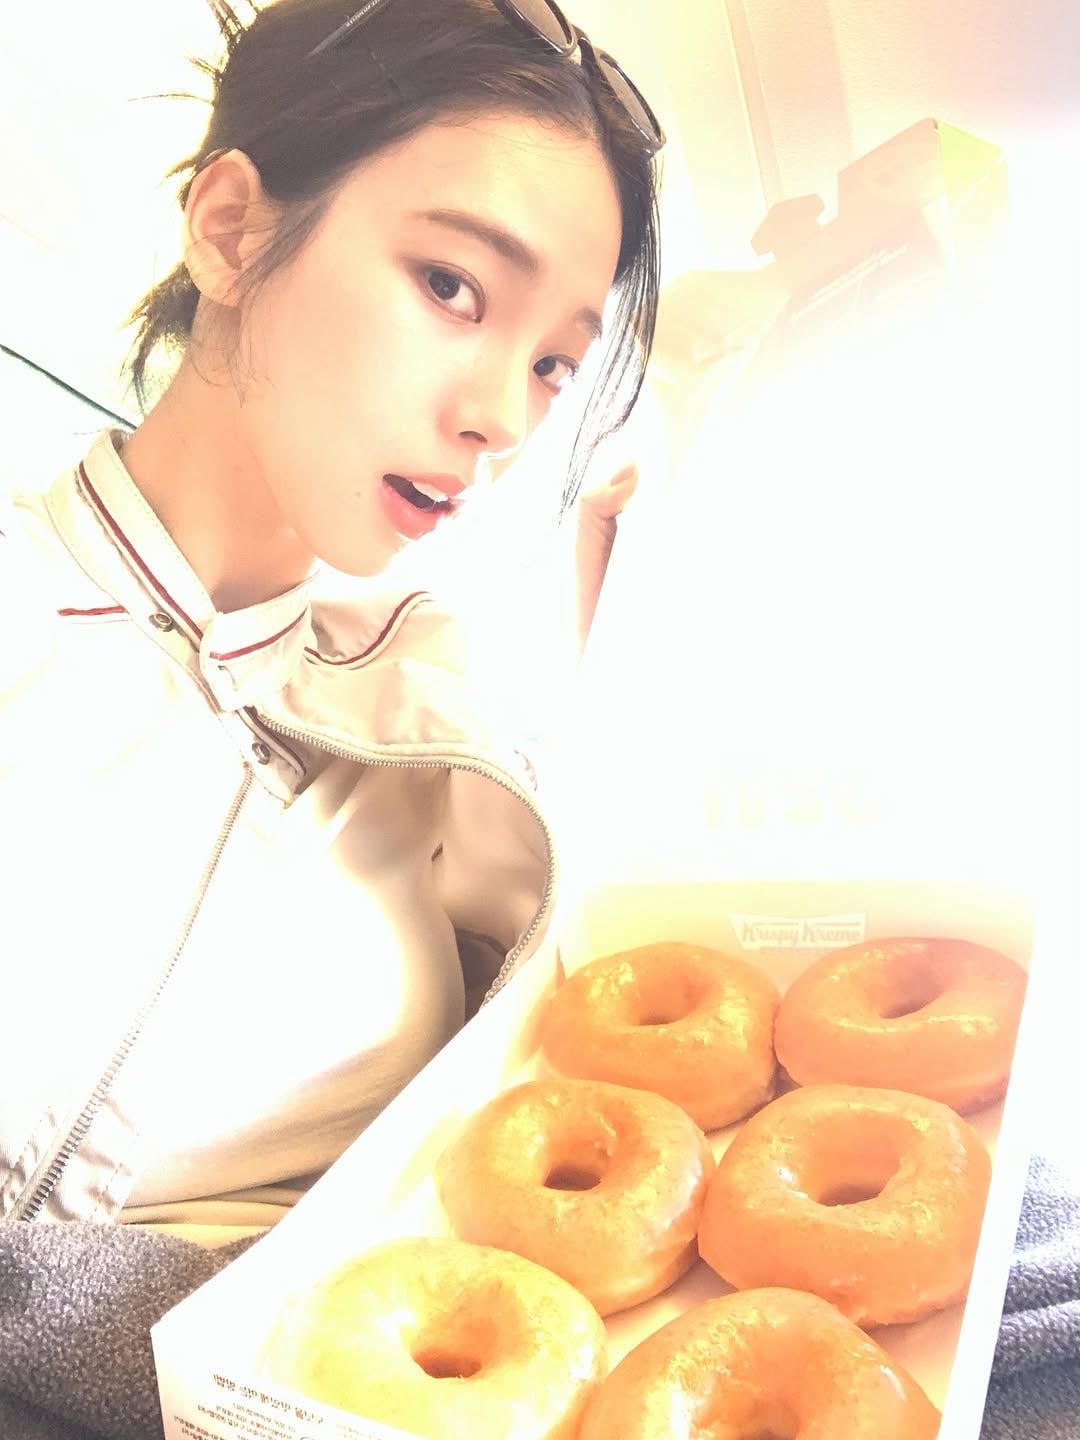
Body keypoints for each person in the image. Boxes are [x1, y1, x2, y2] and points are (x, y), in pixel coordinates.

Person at [0, 0, 662, 1432]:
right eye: (453, 285)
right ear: (232, 230)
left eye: (554, 361)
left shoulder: (434, 710)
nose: (503, 414)